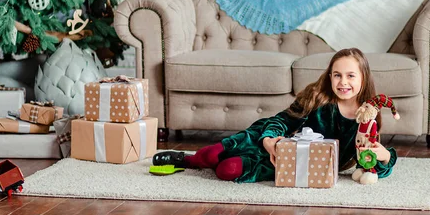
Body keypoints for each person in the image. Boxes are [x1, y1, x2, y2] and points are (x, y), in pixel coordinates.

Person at [152, 48, 397, 183]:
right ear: (330, 76)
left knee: (227, 170)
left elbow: (371, 163)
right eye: (337, 75)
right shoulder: (317, 96)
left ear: (363, 77)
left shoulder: (367, 117)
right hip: (273, 139)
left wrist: (385, 156)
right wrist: (269, 139)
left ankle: (213, 162)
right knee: (213, 153)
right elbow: (282, 119)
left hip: (291, 161)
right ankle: (187, 160)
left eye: (350, 75)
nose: (343, 82)